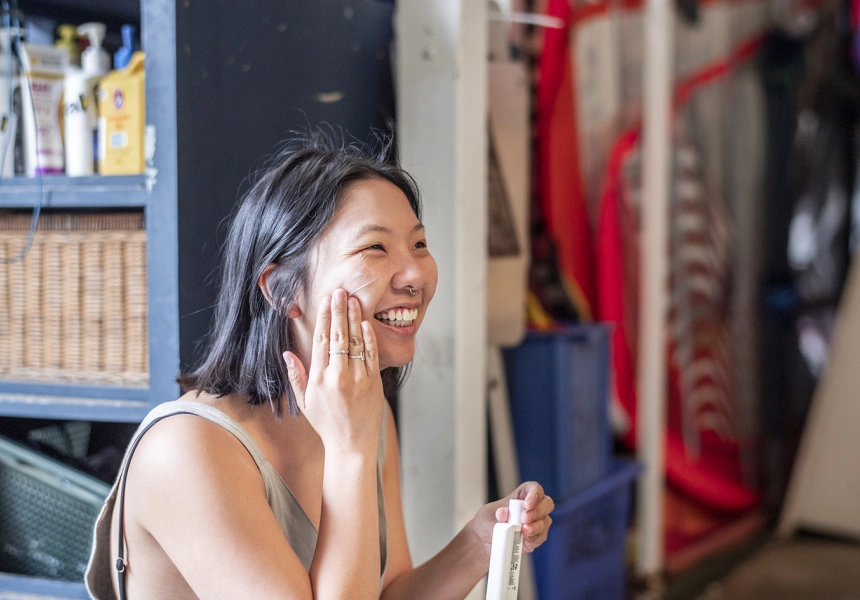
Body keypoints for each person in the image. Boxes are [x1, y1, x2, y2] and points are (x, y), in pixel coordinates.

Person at [85, 135, 554, 599]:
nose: (415, 275)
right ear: (283, 290)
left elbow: (384, 594)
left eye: (419, 243)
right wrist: (350, 450)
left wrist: (477, 543)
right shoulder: (188, 450)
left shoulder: (366, 415)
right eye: (375, 248)